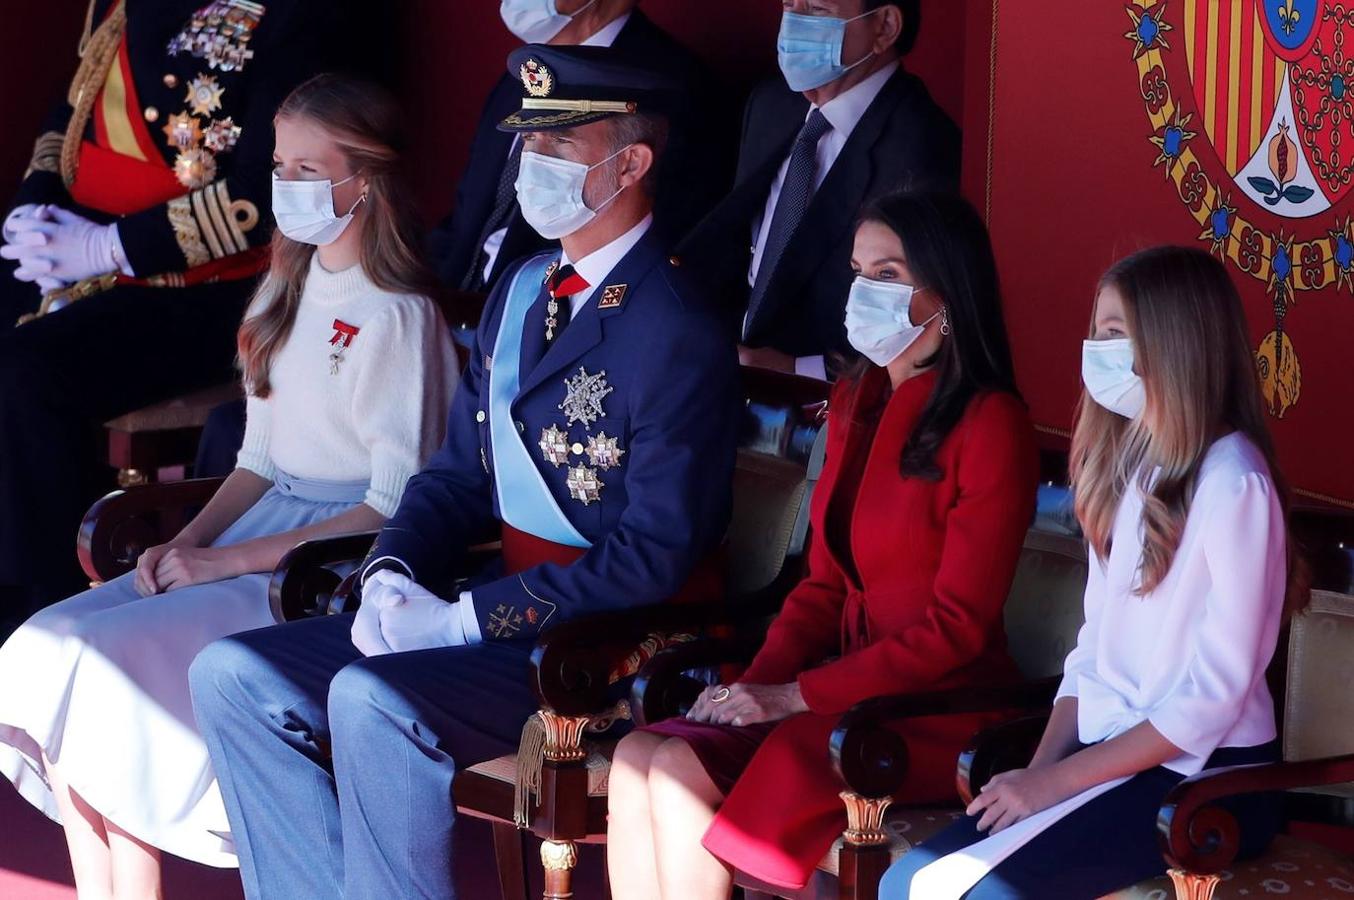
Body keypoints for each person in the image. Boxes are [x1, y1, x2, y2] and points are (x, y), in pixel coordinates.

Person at [188, 44, 739, 900]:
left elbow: (652, 557)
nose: (533, 168)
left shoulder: (675, 327)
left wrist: (465, 622)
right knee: (232, 676)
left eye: (560, 151)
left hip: (609, 643)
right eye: (530, 148)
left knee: (374, 701)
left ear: (631, 164)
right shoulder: (522, 289)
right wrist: (391, 572)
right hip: (497, 609)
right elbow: (455, 476)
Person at [0, 74, 457, 899]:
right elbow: (257, 463)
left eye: (311, 171)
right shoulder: (286, 287)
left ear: (367, 179)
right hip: (258, 536)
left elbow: (389, 507)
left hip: (324, 568)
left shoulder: (399, 313)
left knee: (105, 671)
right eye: (281, 165)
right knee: (43, 644)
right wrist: (189, 541)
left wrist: (226, 564)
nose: (288, 186)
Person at [607, 191, 1038, 897]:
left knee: (685, 770)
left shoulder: (991, 423)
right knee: (637, 754)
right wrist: (754, 685)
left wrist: (793, 698)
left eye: (890, 275)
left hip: (938, 707)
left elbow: (956, 630)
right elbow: (823, 586)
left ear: (948, 296)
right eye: (859, 271)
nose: (866, 292)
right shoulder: (855, 400)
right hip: (840, 687)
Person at [881, 246, 1298, 899]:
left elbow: (1211, 699)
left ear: (1173, 345)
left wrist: (1057, 784)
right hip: (1111, 755)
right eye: (1095, 331)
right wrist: (1039, 771)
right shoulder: (1133, 467)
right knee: (906, 882)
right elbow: (1092, 654)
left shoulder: (1234, 480)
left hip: (1206, 780)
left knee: (975, 895)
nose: (1093, 350)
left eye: (1112, 335)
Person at [0, 0, 361, 622]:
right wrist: (33, 207)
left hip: (207, 286)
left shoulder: (291, 16)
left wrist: (112, 247)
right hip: (82, 247)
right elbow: (73, 110)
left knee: (26, 373)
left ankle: (42, 602)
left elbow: (262, 187)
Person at [679, 0, 958, 380]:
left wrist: (795, 369)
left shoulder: (923, 147)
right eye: (789, 5)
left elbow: (919, 319)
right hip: (723, 376)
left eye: (816, 9)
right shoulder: (770, 103)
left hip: (830, 405)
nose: (793, 24)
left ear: (885, 27)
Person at [430, 0, 726, 294]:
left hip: (563, 309)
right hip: (460, 302)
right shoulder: (526, 73)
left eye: (558, 138)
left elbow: (674, 240)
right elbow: (467, 213)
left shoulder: (671, 84)